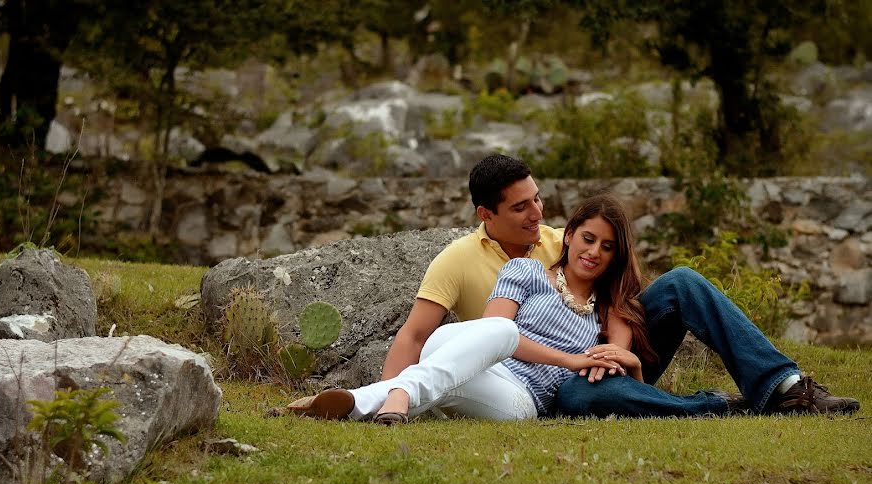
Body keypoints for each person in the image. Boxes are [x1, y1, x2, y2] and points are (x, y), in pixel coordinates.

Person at [288, 154, 860, 419]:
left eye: (539, 199)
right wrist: (576, 359)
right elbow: (421, 334)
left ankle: (783, 385)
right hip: (531, 374)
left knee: (682, 283)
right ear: (487, 215)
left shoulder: (564, 243)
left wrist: (620, 352)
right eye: (522, 207)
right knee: (527, 359)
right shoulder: (475, 262)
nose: (538, 214)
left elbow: (613, 299)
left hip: (589, 364)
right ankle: (388, 399)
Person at [298, 194, 646, 423]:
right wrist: (570, 359)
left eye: (607, 246)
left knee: (461, 358)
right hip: (471, 359)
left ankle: (374, 397)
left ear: (616, 255)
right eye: (588, 238)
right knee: (497, 331)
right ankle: (393, 396)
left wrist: (631, 365)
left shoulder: (610, 309)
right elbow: (492, 333)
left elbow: (615, 369)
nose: (595, 251)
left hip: (517, 399)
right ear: (568, 235)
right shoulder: (524, 270)